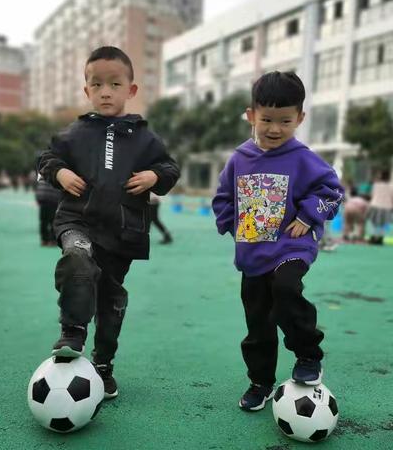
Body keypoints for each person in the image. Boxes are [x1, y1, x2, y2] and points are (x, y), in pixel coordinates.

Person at [38, 46, 180, 399]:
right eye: (96, 84)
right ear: (86, 90)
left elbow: (170, 168)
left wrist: (152, 176)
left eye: (114, 84)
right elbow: (46, 158)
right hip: (78, 221)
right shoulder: (75, 132)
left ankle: (103, 364)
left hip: (122, 232)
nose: (105, 91)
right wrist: (61, 172)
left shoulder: (145, 137)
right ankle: (72, 331)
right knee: (77, 259)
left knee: (111, 299)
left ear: (130, 90)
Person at [212, 71, 344, 411]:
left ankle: (308, 354)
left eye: (285, 121)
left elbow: (332, 194)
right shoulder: (239, 159)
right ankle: (260, 381)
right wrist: (233, 224)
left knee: (285, 289)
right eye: (267, 119)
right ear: (251, 115)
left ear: (300, 118)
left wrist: (308, 215)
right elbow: (223, 198)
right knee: (258, 323)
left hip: (291, 247)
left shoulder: (304, 158)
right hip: (253, 253)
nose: (274, 129)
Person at [366, 170, 393, 245]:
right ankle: (380, 238)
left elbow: (372, 195)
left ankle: (373, 237)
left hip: (375, 205)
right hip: (386, 206)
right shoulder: (391, 186)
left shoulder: (376, 185)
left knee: (374, 223)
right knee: (383, 223)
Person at [35, 176, 61, 246]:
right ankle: (52, 240)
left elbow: (38, 187)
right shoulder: (56, 173)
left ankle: (45, 240)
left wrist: (38, 198)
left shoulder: (42, 174)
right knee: (52, 221)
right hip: (52, 200)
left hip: (44, 199)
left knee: (44, 221)